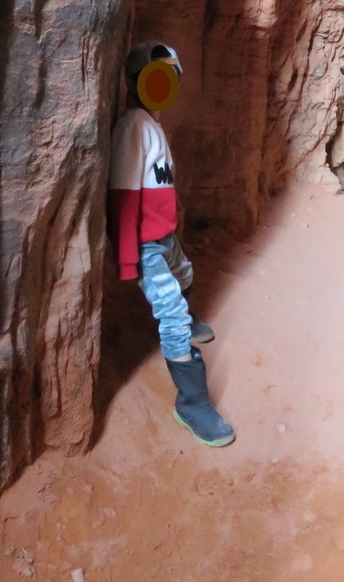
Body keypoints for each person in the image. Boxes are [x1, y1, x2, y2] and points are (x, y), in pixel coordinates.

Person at [108, 40, 235, 447]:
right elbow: (124, 195)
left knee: (185, 274)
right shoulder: (133, 127)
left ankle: (187, 318)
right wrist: (129, 259)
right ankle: (193, 403)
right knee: (173, 318)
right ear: (138, 82)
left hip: (163, 236)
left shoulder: (152, 125)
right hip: (146, 244)